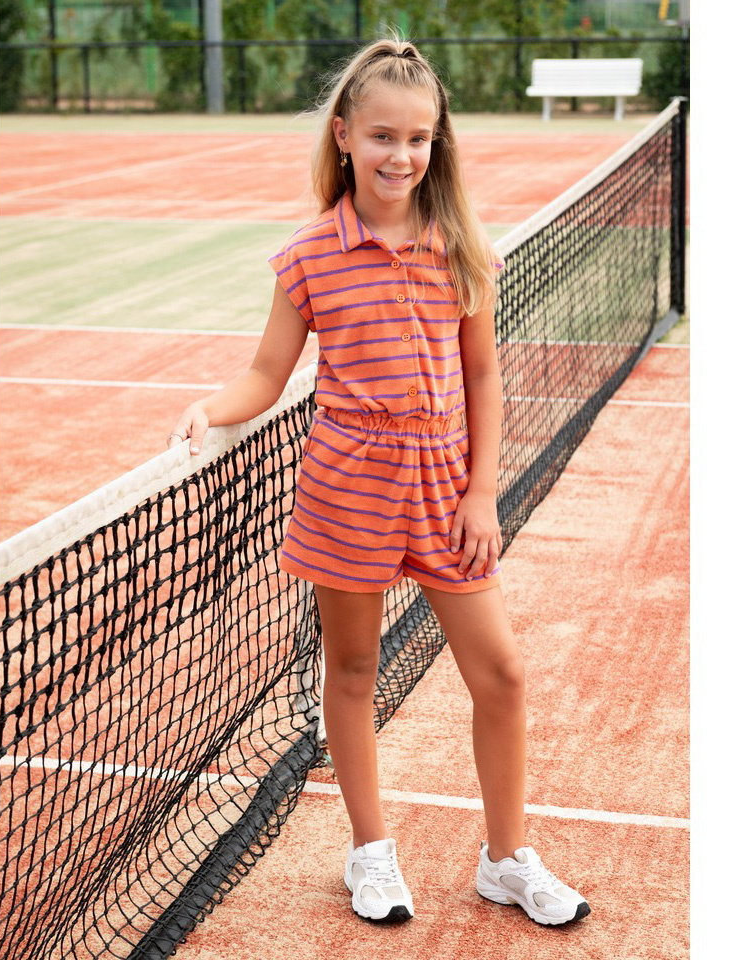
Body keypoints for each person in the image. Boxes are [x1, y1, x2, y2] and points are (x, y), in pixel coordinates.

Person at [166, 37, 590, 928]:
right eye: (384, 136)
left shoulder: (461, 246)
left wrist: (482, 492)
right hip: (345, 489)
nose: (402, 156)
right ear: (346, 136)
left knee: (501, 674)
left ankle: (506, 859)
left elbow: (483, 375)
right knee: (353, 669)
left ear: (438, 142)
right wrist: (209, 408)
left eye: (419, 138)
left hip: (445, 488)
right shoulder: (308, 255)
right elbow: (267, 374)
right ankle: (370, 852)